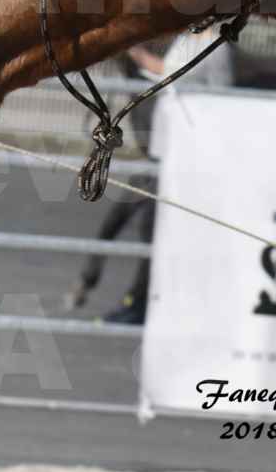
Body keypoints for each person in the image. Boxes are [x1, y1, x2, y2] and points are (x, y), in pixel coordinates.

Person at [64, 30, 234, 324]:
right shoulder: (189, 38)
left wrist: (132, 49)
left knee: (151, 227)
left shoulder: (214, 44)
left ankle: (137, 305)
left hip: (188, 152)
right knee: (143, 221)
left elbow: (174, 74)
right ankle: (133, 301)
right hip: (168, 148)